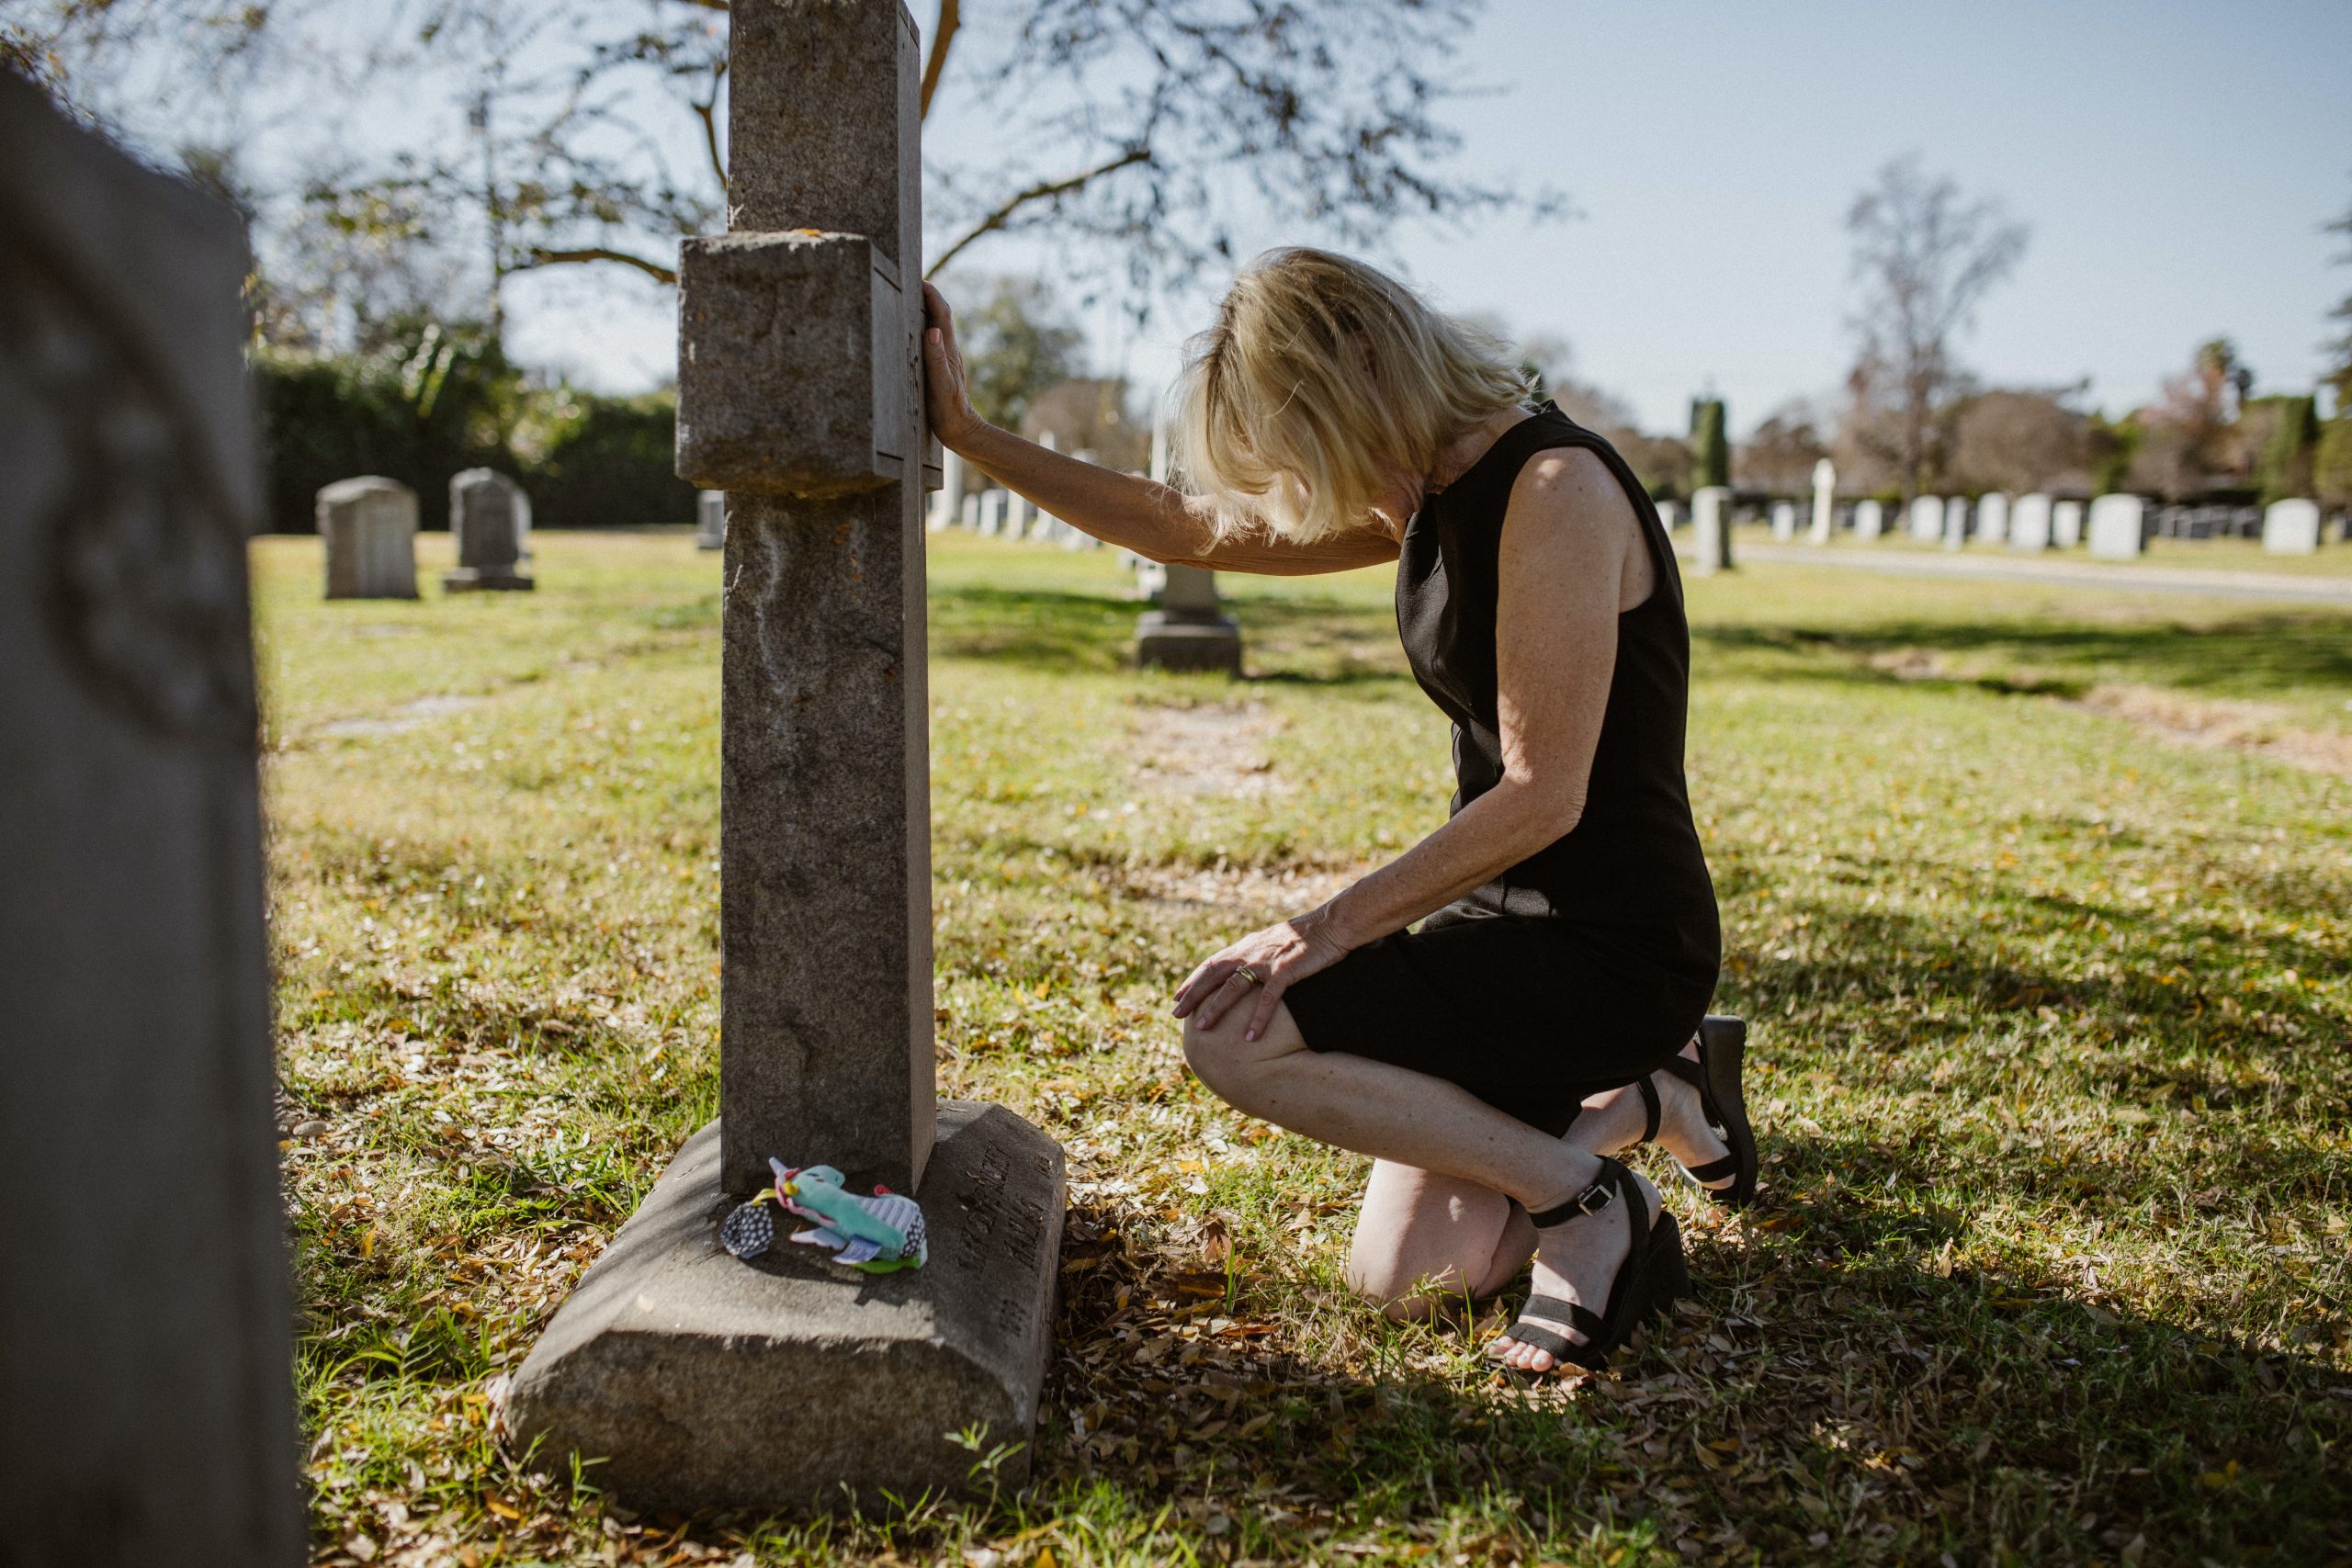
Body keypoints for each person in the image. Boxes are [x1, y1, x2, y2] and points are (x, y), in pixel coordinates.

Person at [919, 248, 1756, 1374]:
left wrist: (1322, 928)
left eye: (1304, 446)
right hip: (1498, 934)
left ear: (1366, 363)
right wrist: (969, 436)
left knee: (1232, 1035)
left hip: (1612, 947)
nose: (1317, 491)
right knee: (1410, 1282)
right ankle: (1648, 1094)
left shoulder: (1553, 490)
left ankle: (1591, 1199)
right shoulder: (1421, 486)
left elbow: (1543, 794)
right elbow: (1188, 530)